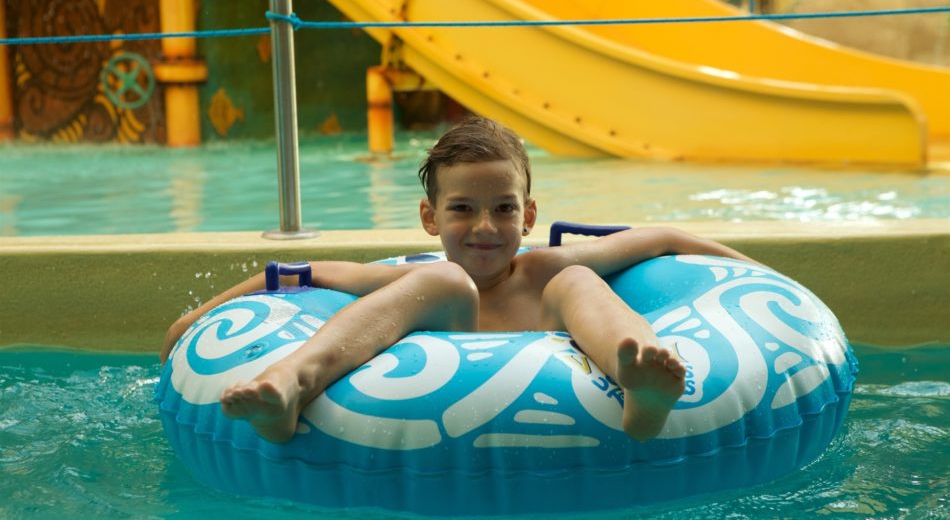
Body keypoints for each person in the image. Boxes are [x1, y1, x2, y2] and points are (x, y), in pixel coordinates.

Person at [160, 116, 757, 444]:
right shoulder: (423, 280)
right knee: (446, 283)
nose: (485, 227)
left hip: (560, 359)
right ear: (430, 218)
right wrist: (194, 319)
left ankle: (641, 381)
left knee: (575, 279)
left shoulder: (544, 270)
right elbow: (299, 275)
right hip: (441, 344)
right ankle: (291, 383)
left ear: (529, 215)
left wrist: (766, 276)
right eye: (463, 209)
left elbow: (662, 238)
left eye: (504, 208)